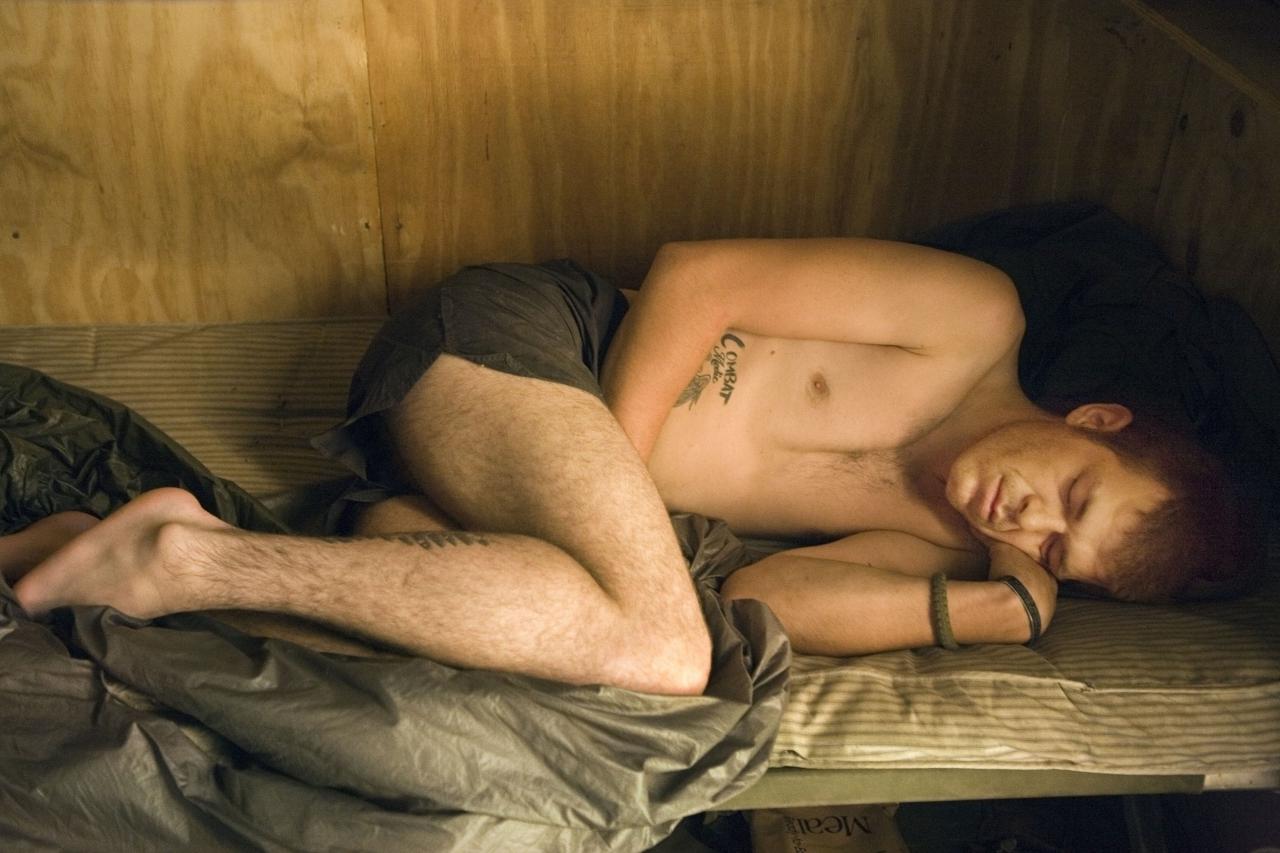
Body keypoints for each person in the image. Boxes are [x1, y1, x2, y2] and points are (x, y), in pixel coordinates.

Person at [1, 239, 1247, 694]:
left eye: (1057, 551)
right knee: (658, 651)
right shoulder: (973, 319)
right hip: (522, 343)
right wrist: (618, 500)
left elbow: (763, 599)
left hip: (507, 470)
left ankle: (156, 553)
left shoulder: (944, 545)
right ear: (1094, 418)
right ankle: (185, 561)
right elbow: (698, 279)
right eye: (1069, 496)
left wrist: (999, 606)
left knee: (470, 634)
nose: (1026, 521)